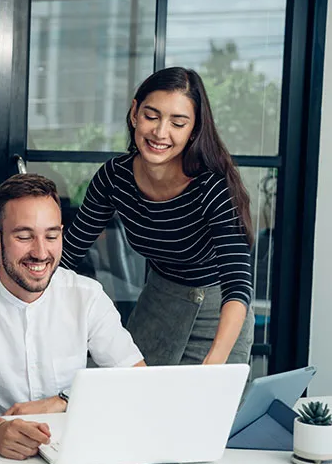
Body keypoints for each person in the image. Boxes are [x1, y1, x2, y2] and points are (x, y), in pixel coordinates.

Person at [0, 174, 145, 461]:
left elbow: (138, 382)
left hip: (67, 454)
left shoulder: (86, 295)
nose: (41, 252)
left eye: (51, 236)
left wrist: (63, 402)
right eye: (24, 236)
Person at [62, 67, 255, 367]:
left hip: (218, 317)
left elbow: (238, 282)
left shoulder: (212, 186)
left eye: (178, 123)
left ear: (194, 129)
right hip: (158, 303)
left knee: (206, 412)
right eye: (152, 116)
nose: (160, 132)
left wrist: (216, 359)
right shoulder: (115, 178)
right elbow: (70, 250)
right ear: (134, 113)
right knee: (136, 404)